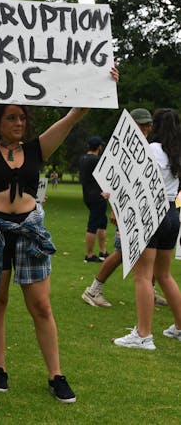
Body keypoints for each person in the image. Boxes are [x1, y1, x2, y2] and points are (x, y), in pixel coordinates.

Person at [0, 57, 117, 403]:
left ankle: (56, 375)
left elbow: (73, 116)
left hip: (29, 233)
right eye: (12, 117)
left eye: (22, 117)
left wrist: (102, 82)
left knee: (41, 306)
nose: (19, 122)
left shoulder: (37, 149)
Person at [81, 108, 167, 308]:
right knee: (121, 253)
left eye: (148, 124)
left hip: (143, 210)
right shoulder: (124, 149)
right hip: (127, 210)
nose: (146, 128)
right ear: (132, 124)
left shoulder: (145, 148)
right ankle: (93, 290)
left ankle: (150, 292)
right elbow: (115, 182)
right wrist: (115, 210)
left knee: (149, 253)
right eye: (142, 124)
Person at [113, 108, 181, 350]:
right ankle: (180, 327)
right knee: (164, 275)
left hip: (151, 212)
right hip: (172, 214)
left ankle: (143, 335)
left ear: (158, 127)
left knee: (143, 276)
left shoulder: (151, 149)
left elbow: (131, 180)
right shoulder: (176, 154)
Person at [80, 136, 109, 263]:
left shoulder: (83, 159)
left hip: (87, 195)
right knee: (93, 225)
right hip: (98, 196)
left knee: (102, 222)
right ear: (99, 147)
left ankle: (103, 252)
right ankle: (89, 255)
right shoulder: (97, 160)